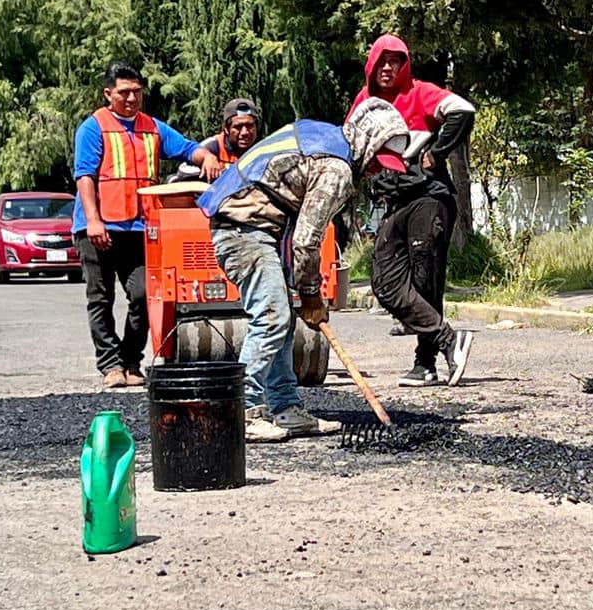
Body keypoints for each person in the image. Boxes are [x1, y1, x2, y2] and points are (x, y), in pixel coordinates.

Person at [199, 98, 412, 442]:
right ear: (367, 142)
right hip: (243, 229)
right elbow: (307, 240)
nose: (379, 170)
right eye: (377, 159)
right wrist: (311, 294)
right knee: (272, 317)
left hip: (251, 225)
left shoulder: (327, 137)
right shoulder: (337, 169)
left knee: (280, 320)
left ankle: (285, 408)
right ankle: (241, 410)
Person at [351, 33, 477, 387]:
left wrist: (436, 152)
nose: (388, 68)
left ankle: (426, 362)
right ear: (371, 66)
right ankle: (450, 340)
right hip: (393, 202)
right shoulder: (366, 103)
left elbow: (462, 110)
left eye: (396, 61)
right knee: (385, 282)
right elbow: (350, 141)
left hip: (429, 196)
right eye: (382, 61)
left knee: (425, 276)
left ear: (405, 65)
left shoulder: (420, 93)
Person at [73, 63, 195, 388]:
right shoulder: (92, 127)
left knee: (143, 294)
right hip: (98, 228)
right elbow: (85, 175)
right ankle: (110, 365)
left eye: (136, 92)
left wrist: (206, 157)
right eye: (124, 92)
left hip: (140, 229)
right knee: (101, 298)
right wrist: (94, 220)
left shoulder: (152, 128)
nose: (131, 98)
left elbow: (186, 148)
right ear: (108, 94)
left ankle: (131, 361)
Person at [185, 98, 262, 181]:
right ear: (226, 129)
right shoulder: (212, 147)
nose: (245, 132)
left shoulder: (262, 150)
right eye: (238, 127)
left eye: (250, 126)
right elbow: (182, 172)